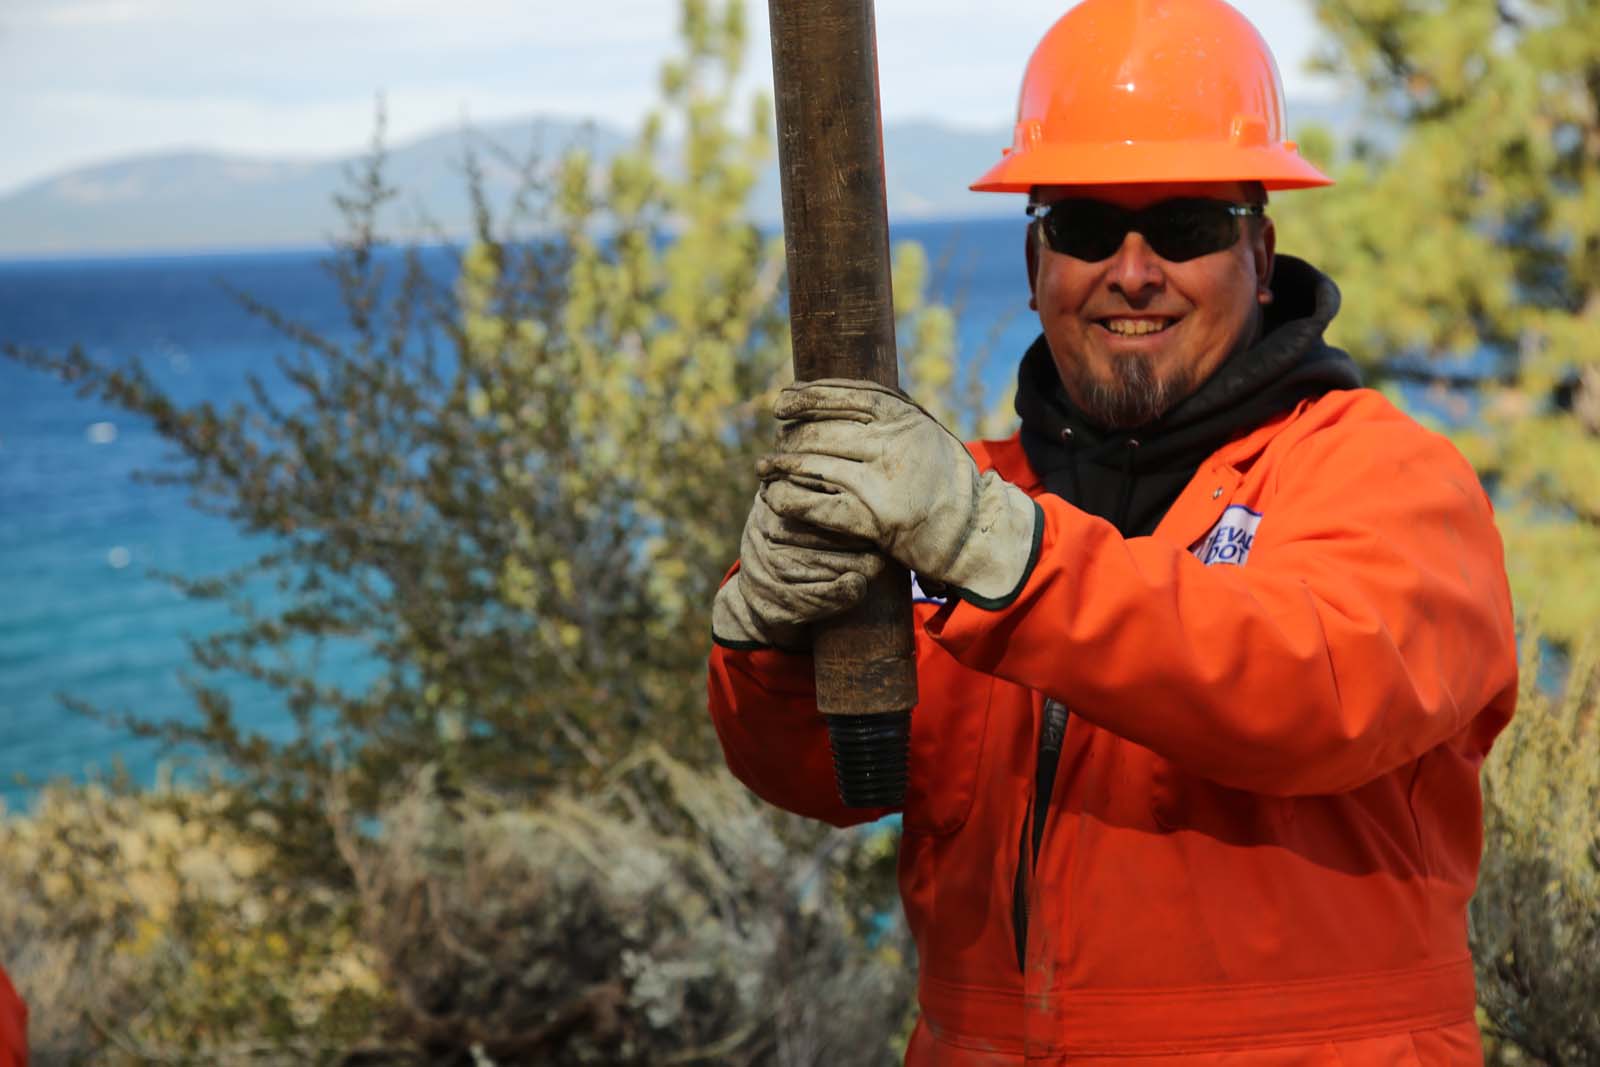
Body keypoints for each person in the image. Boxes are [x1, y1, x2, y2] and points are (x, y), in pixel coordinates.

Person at [707, 0, 1519, 1062]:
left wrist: (1011, 560)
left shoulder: (1383, 476)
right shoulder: (969, 506)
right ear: (1039, 259)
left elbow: (1313, 684)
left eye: (1182, 226)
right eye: (1087, 226)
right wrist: (765, 640)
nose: (1132, 271)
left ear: (1259, 253)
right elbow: (827, 778)